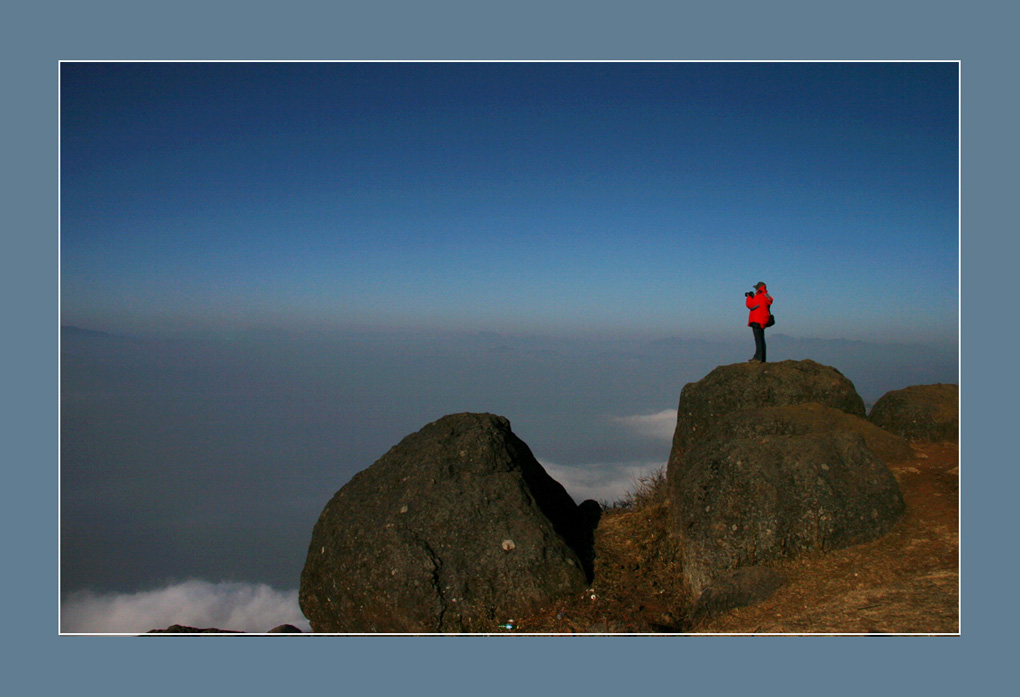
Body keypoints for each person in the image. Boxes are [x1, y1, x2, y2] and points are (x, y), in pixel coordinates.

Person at [745, 281, 773, 363]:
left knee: (758, 340)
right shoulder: (766, 296)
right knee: (761, 339)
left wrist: (749, 297)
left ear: (759, 288)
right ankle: (762, 358)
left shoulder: (759, 296)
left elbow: (750, 305)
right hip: (763, 320)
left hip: (757, 320)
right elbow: (769, 301)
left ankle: (758, 358)